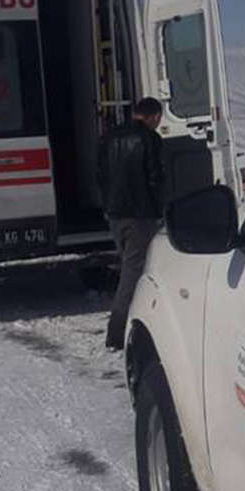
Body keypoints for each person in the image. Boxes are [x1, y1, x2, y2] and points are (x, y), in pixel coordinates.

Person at [97, 97, 165, 350]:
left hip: (115, 214)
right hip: (141, 215)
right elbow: (155, 179)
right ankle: (117, 333)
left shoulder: (109, 137)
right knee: (132, 273)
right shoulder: (150, 139)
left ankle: (132, 325)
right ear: (155, 116)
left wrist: (107, 207)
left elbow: (100, 175)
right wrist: (160, 210)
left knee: (129, 267)